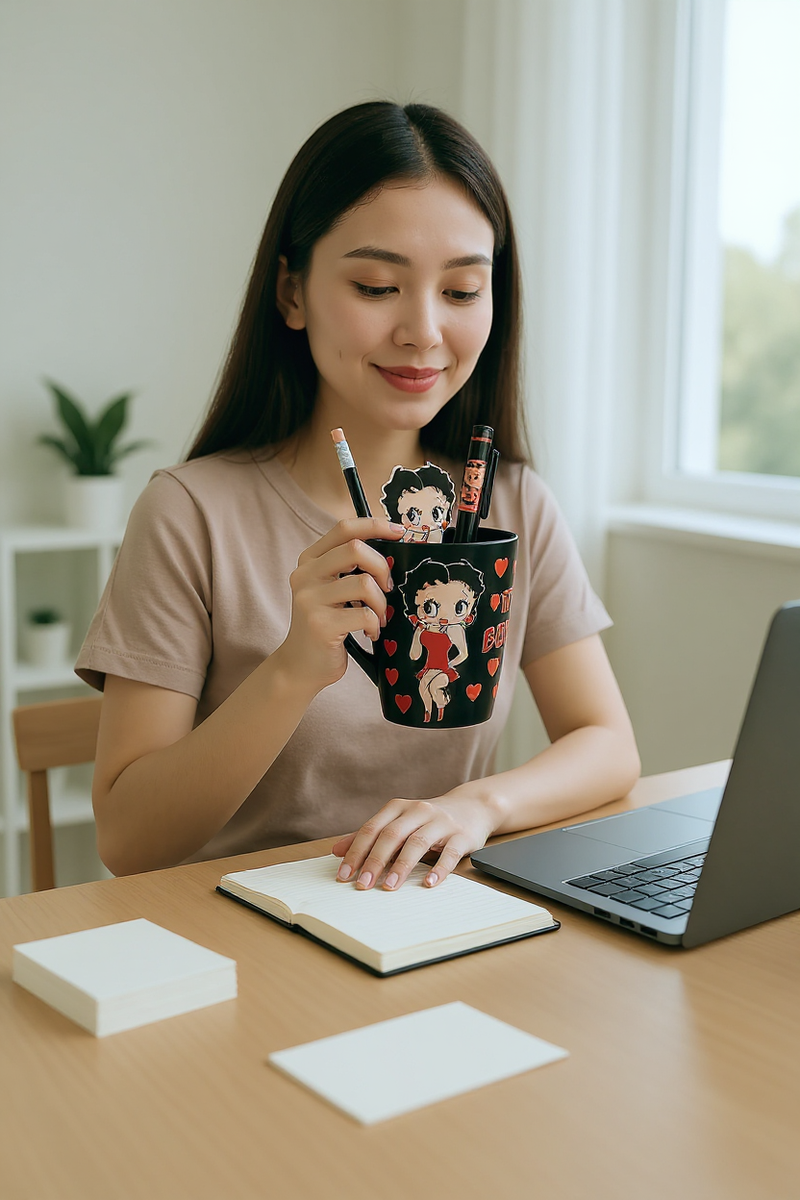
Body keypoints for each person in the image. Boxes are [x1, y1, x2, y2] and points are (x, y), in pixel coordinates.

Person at [76, 100, 640, 890]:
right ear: (293, 293)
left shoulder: (514, 504)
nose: (422, 331)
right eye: (377, 286)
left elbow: (609, 745)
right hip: (236, 935)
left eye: (462, 290)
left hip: (436, 920)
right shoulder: (190, 513)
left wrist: (478, 805)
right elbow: (129, 842)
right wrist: (294, 669)